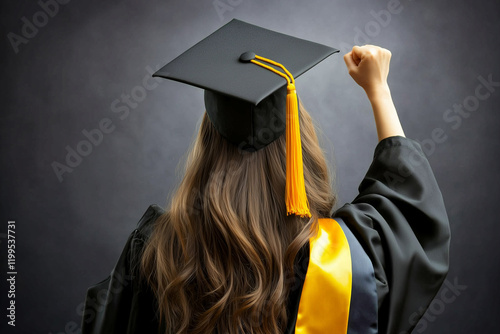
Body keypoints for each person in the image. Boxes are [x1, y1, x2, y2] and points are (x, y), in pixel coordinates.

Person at [81, 20, 450, 334]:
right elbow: (407, 212)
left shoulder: (155, 250)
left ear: (208, 141)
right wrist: (379, 91)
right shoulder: (337, 258)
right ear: (297, 140)